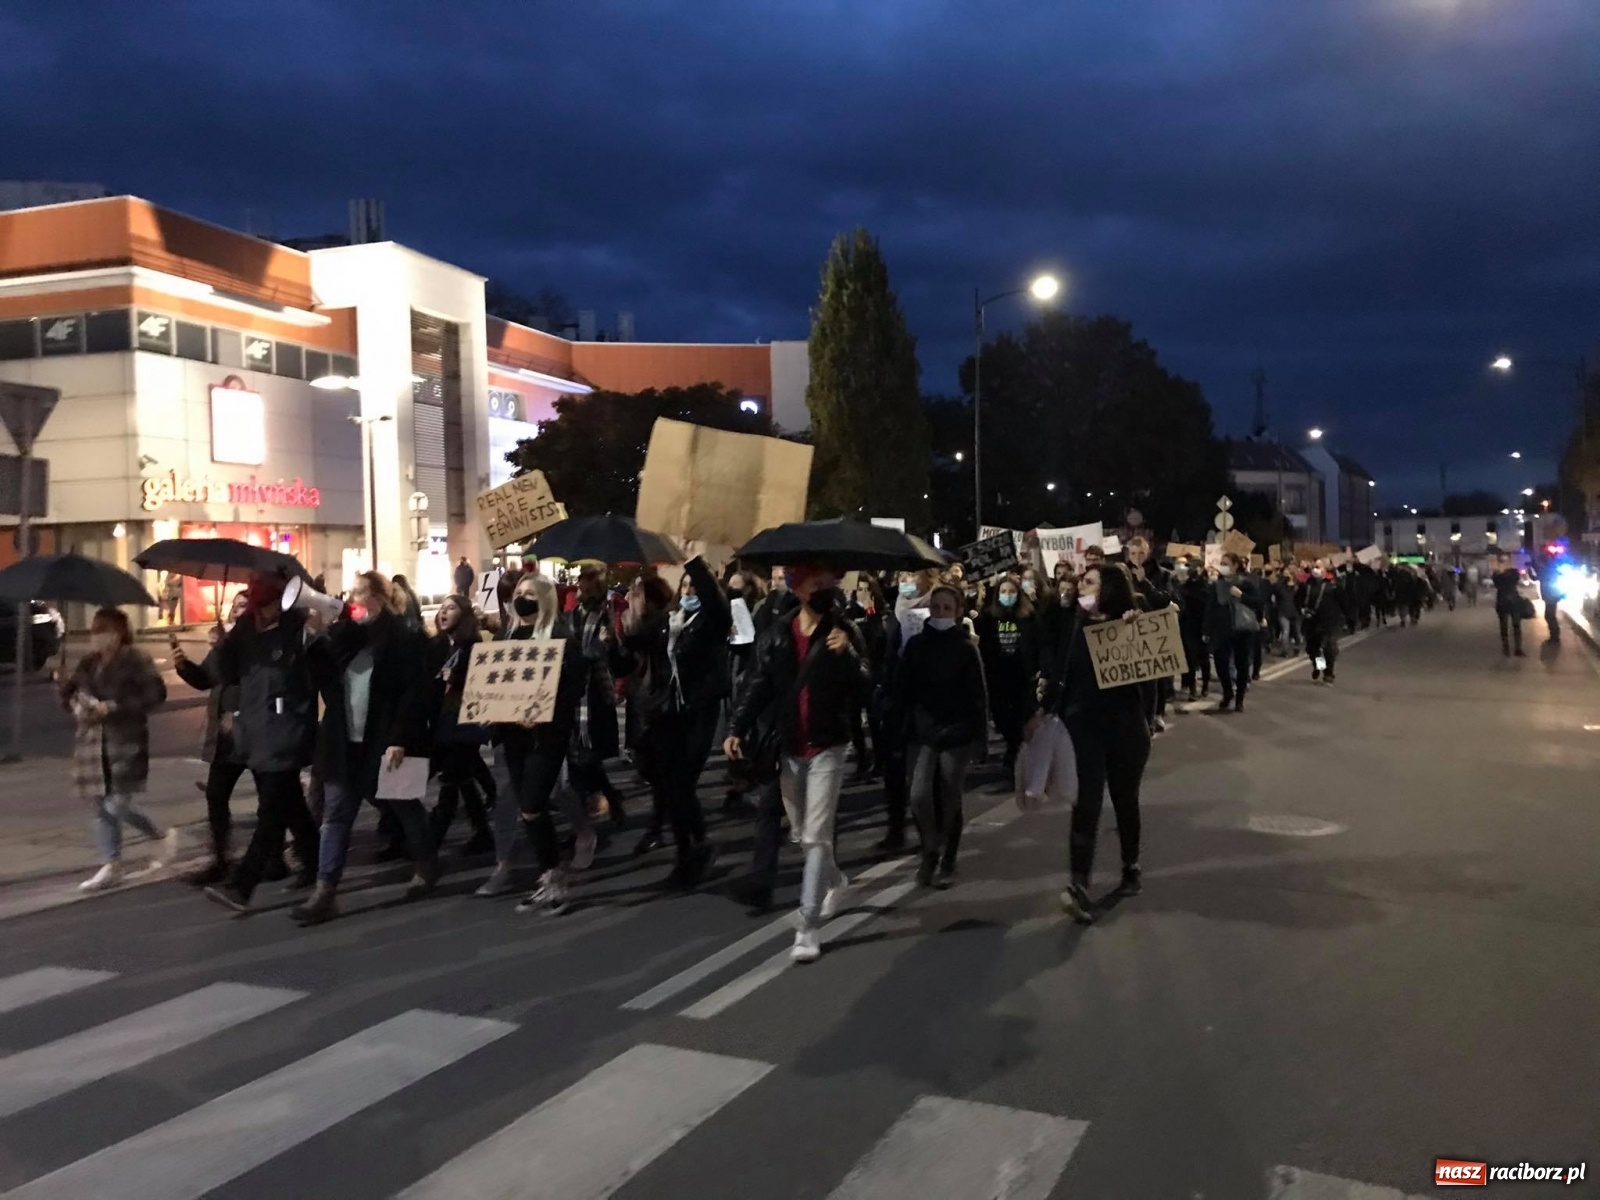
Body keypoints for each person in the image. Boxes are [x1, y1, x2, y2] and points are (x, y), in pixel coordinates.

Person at [726, 563, 867, 954]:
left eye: (828, 584)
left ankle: (807, 924)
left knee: (818, 834)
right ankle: (835, 880)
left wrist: (850, 656)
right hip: (788, 747)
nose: (824, 591)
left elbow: (870, 683)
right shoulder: (777, 634)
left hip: (828, 745)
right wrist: (737, 727)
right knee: (804, 834)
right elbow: (757, 683)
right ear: (798, 588)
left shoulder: (845, 631)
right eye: (815, 584)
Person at [1031, 562, 1149, 924]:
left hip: (1125, 727)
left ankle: (1131, 865)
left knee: (1125, 798)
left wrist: (1135, 630)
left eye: (1090, 582)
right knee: (1086, 803)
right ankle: (1078, 884)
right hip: (1084, 726)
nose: (1082, 585)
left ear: (1109, 588)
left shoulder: (1130, 624)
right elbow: (1045, 638)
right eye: (1081, 581)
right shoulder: (1071, 623)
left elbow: (1153, 674)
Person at [202, 573, 324, 912]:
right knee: (291, 805)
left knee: (271, 811)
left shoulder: (298, 628)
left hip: (287, 730)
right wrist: (221, 647)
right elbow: (229, 676)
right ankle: (319, 864)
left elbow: (313, 673)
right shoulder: (244, 629)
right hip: (257, 731)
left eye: (267, 606)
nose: (261, 613)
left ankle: (242, 885)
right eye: (257, 607)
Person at [477, 572, 596, 911]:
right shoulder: (505, 636)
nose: (522, 597)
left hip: (544, 737)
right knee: (531, 811)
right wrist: (488, 708)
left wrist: (543, 711)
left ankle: (555, 880)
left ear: (544, 599)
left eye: (530, 592)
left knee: (531, 805)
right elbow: (491, 684)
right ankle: (549, 877)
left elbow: (572, 689)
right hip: (512, 736)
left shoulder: (560, 638)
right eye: (519, 591)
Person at [623, 556, 729, 887]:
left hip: (699, 711)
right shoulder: (671, 621)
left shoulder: (711, 621)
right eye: (684, 585)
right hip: (668, 714)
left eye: (693, 586)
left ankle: (691, 853)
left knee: (681, 784)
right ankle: (692, 847)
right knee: (671, 786)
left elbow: (714, 600)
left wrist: (696, 564)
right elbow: (639, 646)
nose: (687, 590)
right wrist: (618, 633)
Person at [171, 592, 291, 886]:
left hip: (254, 732)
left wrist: (236, 711)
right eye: (233, 606)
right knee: (216, 793)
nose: (235, 611)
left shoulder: (259, 642)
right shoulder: (230, 641)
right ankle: (221, 857)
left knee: (271, 798)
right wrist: (182, 663)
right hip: (227, 737)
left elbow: (249, 682)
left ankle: (274, 859)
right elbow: (208, 678)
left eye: (242, 606)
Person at [59, 608, 177, 892]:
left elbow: (155, 694)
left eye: (104, 630)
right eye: (95, 630)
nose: (98, 637)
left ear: (120, 632)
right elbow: (71, 694)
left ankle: (149, 841)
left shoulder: (135, 660)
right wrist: (69, 695)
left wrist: (114, 707)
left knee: (116, 805)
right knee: (101, 805)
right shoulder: (88, 662)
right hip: (92, 742)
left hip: (126, 741)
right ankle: (114, 863)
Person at [897, 583, 989, 888]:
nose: (939, 613)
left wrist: (979, 736)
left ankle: (945, 853)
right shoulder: (916, 645)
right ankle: (930, 846)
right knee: (920, 795)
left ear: (958, 612)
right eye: (935, 607)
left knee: (950, 795)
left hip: (956, 733)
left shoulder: (965, 648)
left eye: (946, 608)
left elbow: (978, 695)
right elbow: (903, 688)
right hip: (923, 732)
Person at [426, 595, 496, 856]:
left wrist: (454, 677)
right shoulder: (439, 645)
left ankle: (433, 837)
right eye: (442, 608)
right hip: (442, 723)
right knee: (462, 779)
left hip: (464, 724)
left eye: (451, 608)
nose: (444, 612)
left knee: (451, 778)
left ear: (464, 615)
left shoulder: (472, 647)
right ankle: (482, 832)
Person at [975, 576, 1039, 774]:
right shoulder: (988, 619)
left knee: (1021, 718)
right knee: (1003, 719)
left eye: (1011, 592)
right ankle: (1013, 746)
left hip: (1023, 677)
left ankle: (1016, 754)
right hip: (998, 677)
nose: (1007, 596)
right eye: (1003, 592)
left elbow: (1039, 642)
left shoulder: (1028, 617)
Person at [1204, 552, 1261, 713]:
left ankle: (1324, 669)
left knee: (1241, 665)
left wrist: (1241, 595)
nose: (1222, 566)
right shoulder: (1216, 585)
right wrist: (1206, 630)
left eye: (1226, 563)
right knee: (1221, 664)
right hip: (1222, 630)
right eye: (1221, 563)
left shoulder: (1246, 583)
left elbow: (1257, 602)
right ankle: (1228, 691)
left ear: (1235, 565)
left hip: (1242, 630)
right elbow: (1211, 608)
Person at [1297, 560, 1344, 684]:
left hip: (1329, 622)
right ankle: (1320, 666)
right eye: (1313, 567)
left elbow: (1343, 601)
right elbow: (1298, 600)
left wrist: (1344, 618)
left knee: (1329, 648)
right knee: (1313, 648)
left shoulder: (1333, 584)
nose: (1315, 570)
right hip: (1312, 622)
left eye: (1317, 567)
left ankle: (1329, 673)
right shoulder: (1306, 584)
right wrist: (1302, 610)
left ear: (1324, 569)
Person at [1491, 553, 1526, 657]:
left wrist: (1503, 573)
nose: (1504, 563)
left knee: (1516, 625)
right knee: (1504, 625)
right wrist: (1500, 572)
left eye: (1506, 561)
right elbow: (1497, 584)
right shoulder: (1497, 574)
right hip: (1502, 601)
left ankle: (1518, 648)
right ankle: (1506, 647)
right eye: (1502, 562)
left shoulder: (1513, 572)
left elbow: (1514, 580)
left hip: (1513, 601)